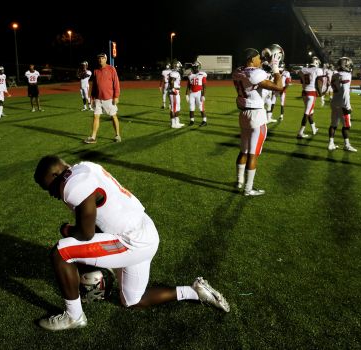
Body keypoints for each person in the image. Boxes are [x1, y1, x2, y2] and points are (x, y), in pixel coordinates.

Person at [33, 155, 230, 331]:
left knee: (61, 253)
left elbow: (86, 234)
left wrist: (67, 230)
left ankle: (74, 316)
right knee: (132, 301)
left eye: (47, 187)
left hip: (130, 241)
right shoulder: (86, 166)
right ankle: (195, 291)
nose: (50, 193)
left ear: (55, 174)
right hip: (146, 232)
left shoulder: (71, 184)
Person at [232, 46, 284, 196]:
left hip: (243, 115)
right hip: (257, 115)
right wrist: (275, 68)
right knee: (253, 154)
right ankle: (248, 189)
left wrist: (266, 63)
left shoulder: (237, 71)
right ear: (251, 59)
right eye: (257, 58)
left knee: (243, 151)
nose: (260, 60)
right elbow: (278, 87)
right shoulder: (256, 74)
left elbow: (254, 74)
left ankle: (239, 181)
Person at [84, 53, 121, 144]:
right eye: (99, 58)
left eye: (102, 58)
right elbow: (95, 86)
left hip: (109, 98)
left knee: (113, 116)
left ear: (106, 59)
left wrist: (116, 96)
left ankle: (117, 135)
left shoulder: (111, 69)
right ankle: (93, 137)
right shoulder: (96, 70)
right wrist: (92, 97)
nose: (100, 60)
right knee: (96, 116)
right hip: (98, 99)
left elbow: (116, 83)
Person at [328, 57, 357, 152]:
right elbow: (344, 91)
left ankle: (331, 143)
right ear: (345, 65)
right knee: (347, 126)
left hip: (334, 102)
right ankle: (347, 145)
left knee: (333, 124)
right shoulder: (346, 75)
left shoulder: (335, 75)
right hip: (342, 104)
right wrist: (347, 106)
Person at [297, 56, 323, 139]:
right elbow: (318, 83)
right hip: (311, 93)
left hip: (304, 92)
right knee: (307, 113)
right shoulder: (317, 70)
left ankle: (314, 128)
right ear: (316, 63)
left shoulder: (303, 70)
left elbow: (301, 81)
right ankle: (300, 132)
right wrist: (320, 94)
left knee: (310, 111)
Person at [185, 61, 207, 126]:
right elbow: (188, 85)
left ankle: (204, 121)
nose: (195, 68)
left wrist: (203, 95)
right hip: (192, 93)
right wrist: (186, 94)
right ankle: (192, 120)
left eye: (196, 67)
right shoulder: (190, 75)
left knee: (201, 107)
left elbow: (204, 86)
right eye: (194, 67)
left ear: (198, 67)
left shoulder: (202, 74)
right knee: (191, 107)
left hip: (199, 93)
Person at [167, 60, 184, 128]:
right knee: (173, 108)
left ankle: (177, 122)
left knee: (177, 107)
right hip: (173, 92)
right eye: (179, 67)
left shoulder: (175, 72)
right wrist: (173, 89)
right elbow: (171, 81)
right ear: (177, 66)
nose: (180, 68)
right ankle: (173, 123)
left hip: (176, 91)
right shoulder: (174, 73)